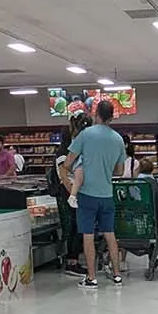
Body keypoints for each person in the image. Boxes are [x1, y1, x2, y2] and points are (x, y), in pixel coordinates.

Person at [66, 99, 127, 287]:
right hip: (107, 194)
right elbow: (119, 171)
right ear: (112, 116)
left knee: (88, 235)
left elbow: (68, 162)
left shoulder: (85, 135)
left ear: (96, 114)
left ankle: (92, 278)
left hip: (87, 194)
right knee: (110, 234)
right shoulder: (118, 139)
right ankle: (117, 274)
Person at [53, 113, 92, 276]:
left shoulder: (76, 150)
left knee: (79, 226)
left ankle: (76, 258)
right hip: (68, 194)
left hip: (77, 192)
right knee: (74, 227)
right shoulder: (63, 153)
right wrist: (74, 196)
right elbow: (64, 177)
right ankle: (71, 261)